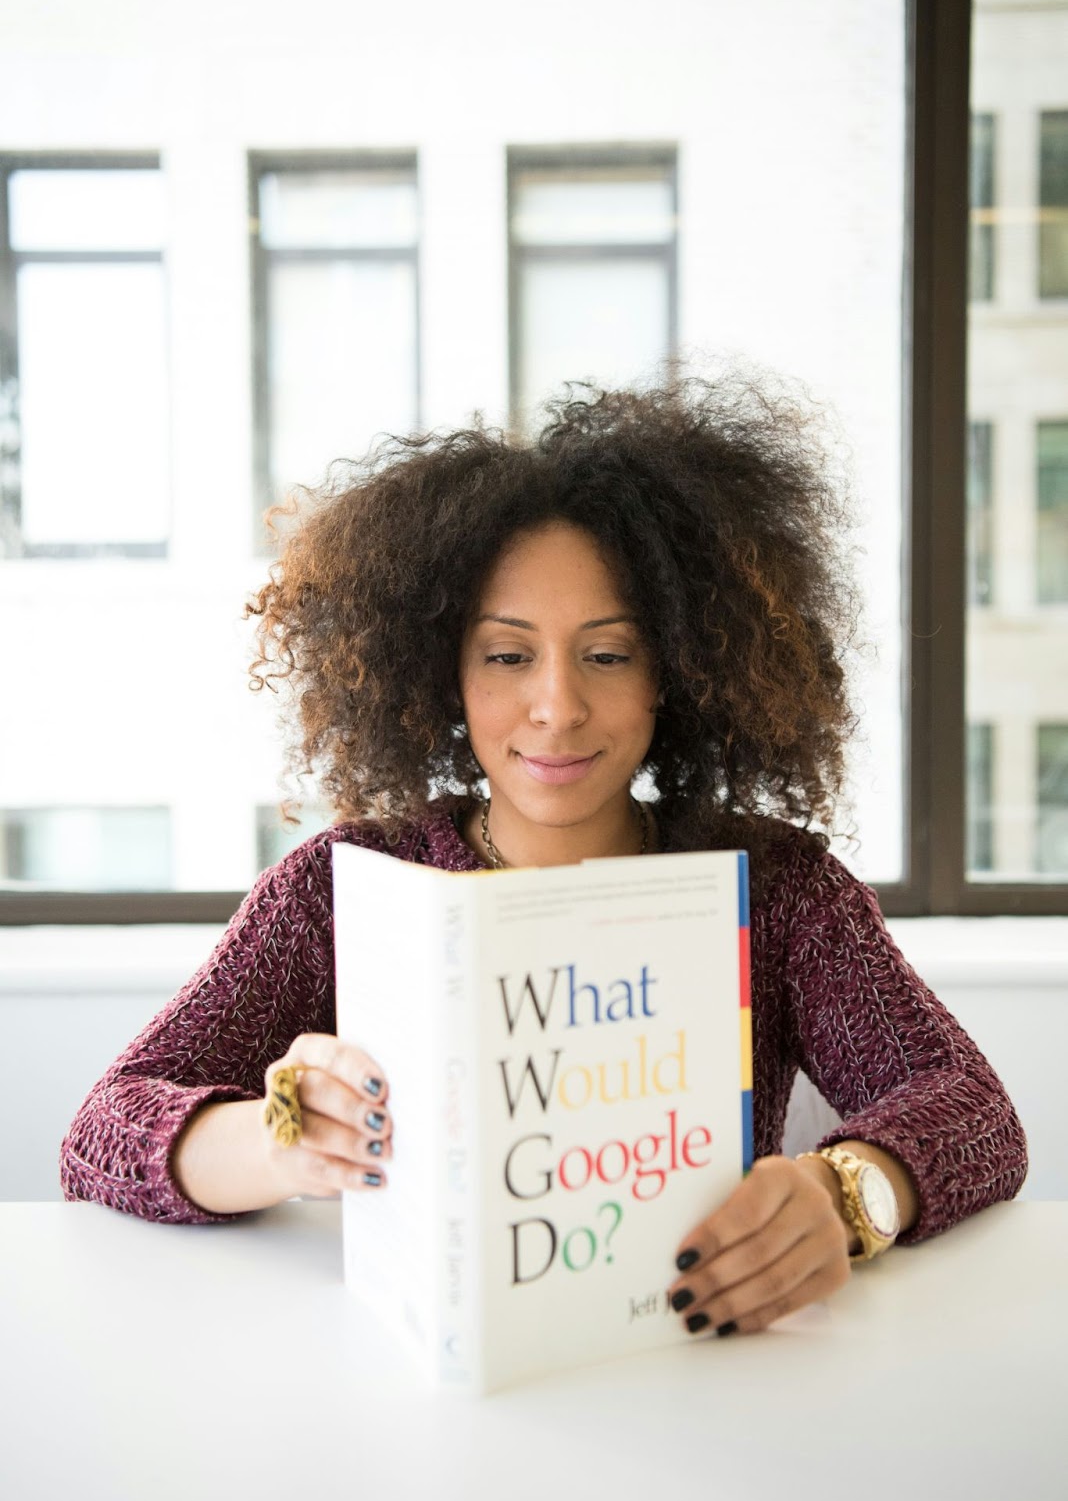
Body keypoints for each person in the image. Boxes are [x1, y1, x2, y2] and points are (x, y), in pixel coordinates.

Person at [60, 375, 1028, 1340]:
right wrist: (280, 1143)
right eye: (507, 655)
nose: (557, 707)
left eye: (608, 655)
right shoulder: (342, 884)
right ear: (442, 673)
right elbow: (104, 1129)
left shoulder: (780, 889)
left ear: (676, 675)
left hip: (705, 1363)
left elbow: (973, 1111)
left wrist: (850, 1192)